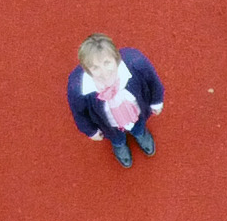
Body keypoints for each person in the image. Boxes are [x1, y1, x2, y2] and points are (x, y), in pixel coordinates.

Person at [67, 33, 166, 166]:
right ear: (87, 70)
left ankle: (139, 133)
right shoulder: (77, 88)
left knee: (138, 126)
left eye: (107, 63)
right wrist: (91, 131)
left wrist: (156, 102)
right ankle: (119, 143)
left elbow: (153, 82)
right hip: (108, 124)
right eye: (95, 68)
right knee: (116, 137)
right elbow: (79, 113)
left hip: (137, 113)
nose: (104, 72)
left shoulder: (137, 63)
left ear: (116, 58)